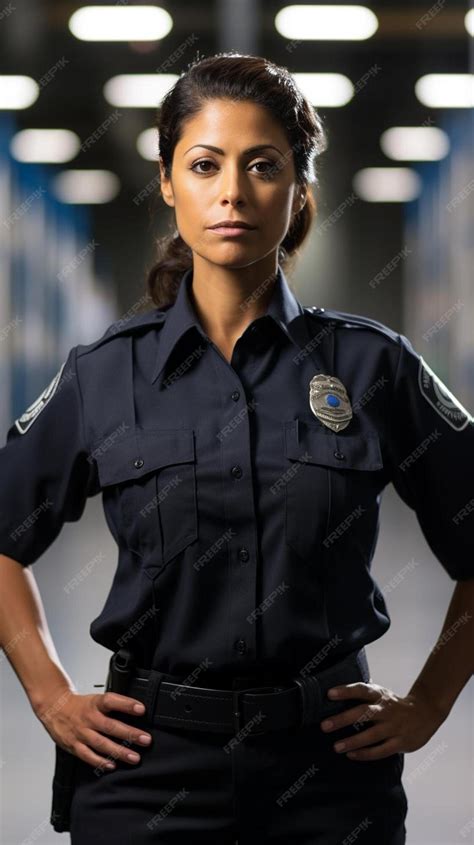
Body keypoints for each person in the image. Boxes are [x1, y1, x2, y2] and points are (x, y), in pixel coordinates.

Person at [0, 52, 473, 845]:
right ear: (167, 180)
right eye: (204, 164)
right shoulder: (104, 374)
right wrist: (48, 692)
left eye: (263, 165)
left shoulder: (373, 365)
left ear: (298, 187)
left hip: (327, 771)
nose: (232, 191)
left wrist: (429, 701)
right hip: (146, 766)